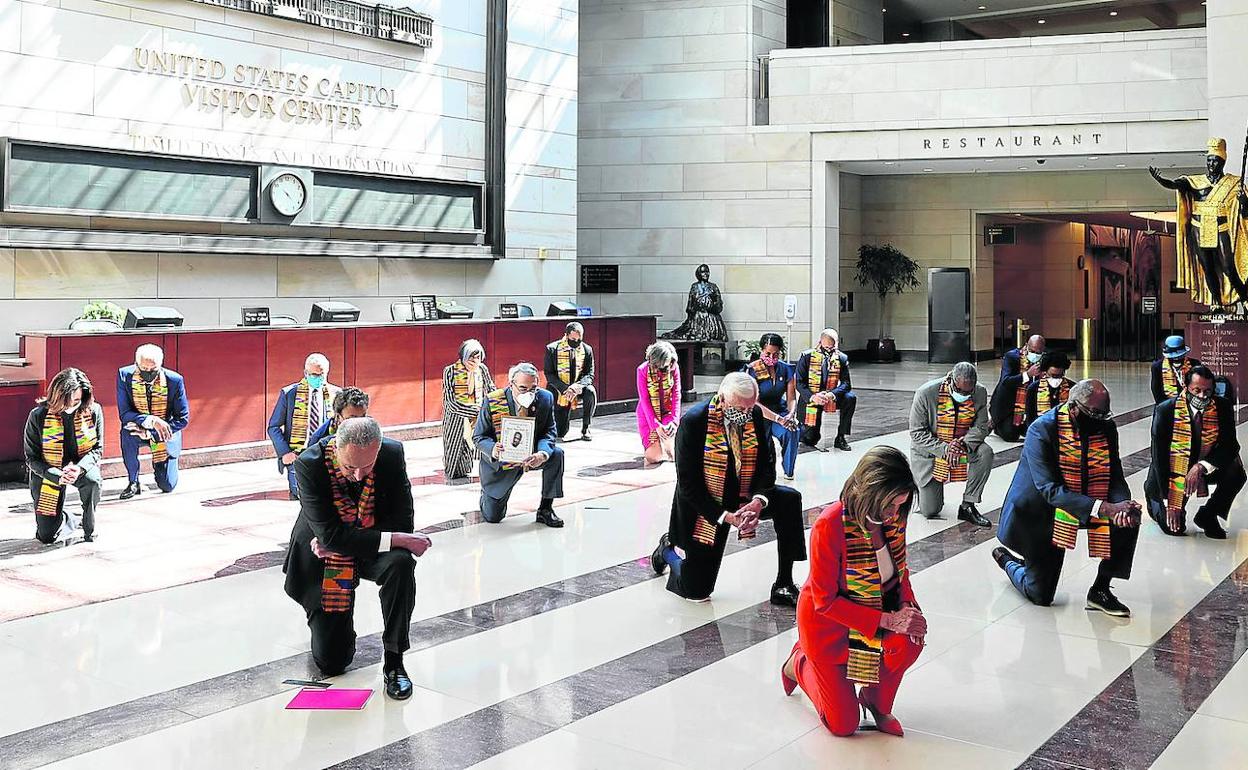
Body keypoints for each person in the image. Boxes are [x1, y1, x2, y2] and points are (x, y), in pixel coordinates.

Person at [282, 417, 432, 700]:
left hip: (363, 545)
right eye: (350, 467)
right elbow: (329, 537)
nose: (360, 475)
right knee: (333, 662)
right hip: (323, 558)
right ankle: (336, 629)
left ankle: (394, 661)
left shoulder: (391, 453)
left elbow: (402, 519)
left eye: (368, 466)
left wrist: (346, 540)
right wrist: (395, 539)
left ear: (378, 450)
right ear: (336, 449)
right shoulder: (309, 465)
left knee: (400, 564)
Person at [781, 446, 926, 738]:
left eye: (900, 506)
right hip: (830, 628)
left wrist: (908, 606)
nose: (894, 515)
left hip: (875, 614)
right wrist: (887, 620)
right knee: (843, 726)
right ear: (868, 493)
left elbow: (900, 572)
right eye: (889, 506)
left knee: (910, 640)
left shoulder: (893, 517)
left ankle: (875, 701)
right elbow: (825, 602)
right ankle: (798, 663)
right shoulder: (829, 524)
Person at [649, 372, 807, 606]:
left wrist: (759, 500)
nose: (744, 414)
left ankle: (784, 583)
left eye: (749, 407)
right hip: (708, 504)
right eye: (738, 408)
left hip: (744, 495)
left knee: (789, 500)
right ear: (722, 399)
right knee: (697, 591)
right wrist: (724, 516)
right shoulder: (694, 421)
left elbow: (766, 464)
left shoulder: (753, 413)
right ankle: (666, 551)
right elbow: (688, 484)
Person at [993, 380, 1142, 617]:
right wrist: (1105, 508)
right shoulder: (1042, 429)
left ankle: (1101, 590)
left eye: (1105, 413)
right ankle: (1008, 561)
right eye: (1094, 413)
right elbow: (1049, 489)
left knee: (1129, 518)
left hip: (1087, 498)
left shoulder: (1105, 426)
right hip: (1044, 511)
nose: (1101, 419)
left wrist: (1122, 506)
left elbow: (1114, 475)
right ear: (1073, 407)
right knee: (1040, 596)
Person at [1144, 365, 1243, 539]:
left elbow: (1231, 446)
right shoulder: (1165, 410)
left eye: (1207, 391)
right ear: (1186, 387)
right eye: (1196, 390)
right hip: (1172, 471)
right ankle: (1155, 503)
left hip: (1202, 467)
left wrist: (1201, 466)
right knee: (1175, 528)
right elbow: (1159, 458)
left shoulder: (1222, 406)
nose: (1202, 396)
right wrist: (1169, 501)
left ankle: (1208, 514)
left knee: (1236, 472)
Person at [1150, 137, 1248, 309]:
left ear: (1222, 162)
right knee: (1208, 268)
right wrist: (1161, 181)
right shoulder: (1195, 181)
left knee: (1228, 268)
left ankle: (1245, 298)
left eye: (1215, 161)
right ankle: (1216, 303)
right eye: (1209, 160)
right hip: (1199, 229)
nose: (1211, 164)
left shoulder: (1233, 184)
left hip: (1221, 228)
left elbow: (1245, 213)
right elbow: (1174, 184)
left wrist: (1244, 201)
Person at [473, 362, 565, 528]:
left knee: (556, 454)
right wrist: (492, 448)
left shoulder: (545, 397)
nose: (529, 393)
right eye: (523, 388)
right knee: (493, 517)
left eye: (533, 388)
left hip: (531, 455)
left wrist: (542, 454)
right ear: (511, 384)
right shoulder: (493, 401)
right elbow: (479, 436)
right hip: (501, 462)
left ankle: (545, 508)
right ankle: (488, 496)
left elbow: (549, 432)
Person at [24, 368, 104, 545]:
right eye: (66, 401)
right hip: (48, 471)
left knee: (93, 480)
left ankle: (89, 522)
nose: (70, 406)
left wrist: (80, 468)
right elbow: (32, 458)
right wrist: (56, 475)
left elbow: (97, 449)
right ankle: (66, 516)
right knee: (46, 536)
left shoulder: (93, 410)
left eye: (76, 400)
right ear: (56, 396)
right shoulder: (38, 416)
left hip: (79, 466)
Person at [908, 362, 993, 527]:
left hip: (962, 445)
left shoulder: (980, 392)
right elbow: (917, 432)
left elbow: (981, 427)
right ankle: (920, 485)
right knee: (930, 510)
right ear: (951, 381)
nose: (965, 395)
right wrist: (946, 449)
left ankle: (968, 504)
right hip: (931, 451)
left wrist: (962, 444)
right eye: (960, 390)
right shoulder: (926, 393)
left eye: (969, 392)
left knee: (985, 452)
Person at [116, 344, 190, 499]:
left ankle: (161, 467)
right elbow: (125, 414)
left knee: (167, 486)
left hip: (163, 434)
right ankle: (133, 481)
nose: (148, 373)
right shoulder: (124, 375)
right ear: (136, 364)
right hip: (138, 427)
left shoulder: (174, 380)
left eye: (153, 370)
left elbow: (182, 419)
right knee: (127, 433)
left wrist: (150, 432)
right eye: (144, 368)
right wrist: (150, 420)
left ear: (161, 365)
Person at [268, 353, 340, 499]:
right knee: (302, 495)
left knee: (328, 495)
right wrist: (285, 453)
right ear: (305, 373)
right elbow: (273, 427)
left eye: (321, 375)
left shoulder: (336, 394)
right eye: (313, 374)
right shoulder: (290, 394)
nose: (318, 378)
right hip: (297, 455)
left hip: (325, 454)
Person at [745, 333, 800, 480]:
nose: (771, 356)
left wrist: (790, 414)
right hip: (758, 413)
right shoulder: (752, 370)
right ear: (761, 350)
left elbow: (791, 398)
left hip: (779, 410)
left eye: (775, 354)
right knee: (765, 446)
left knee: (792, 431)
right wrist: (777, 419)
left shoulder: (786, 369)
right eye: (768, 353)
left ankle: (789, 470)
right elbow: (754, 402)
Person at [796, 328, 856, 451]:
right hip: (812, 397)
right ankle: (805, 432)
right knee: (810, 438)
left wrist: (831, 394)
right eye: (826, 348)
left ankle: (841, 437)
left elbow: (846, 383)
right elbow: (799, 383)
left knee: (850, 398)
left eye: (831, 348)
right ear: (820, 342)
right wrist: (814, 396)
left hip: (830, 396)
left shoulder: (841, 358)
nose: (828, 351)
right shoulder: (807, 357)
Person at [441, 340, 493, 483]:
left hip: (477, 416)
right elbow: (450, 401)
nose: (474, 361)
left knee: (479, 444)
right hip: (456, 415)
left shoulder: (482, 369)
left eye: (477, 358)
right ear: (463, 357)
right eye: (470, 358)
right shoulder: (450, 371)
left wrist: (494, 404)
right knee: (455, 449)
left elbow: (491, 389)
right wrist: (475, 410)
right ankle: (456, 473)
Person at [543, 322, 597, 441]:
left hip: (577, 388)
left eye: (579, 339)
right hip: (559, 389)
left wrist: (577, 386)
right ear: (566, 336)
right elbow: (549, 374)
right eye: (573, 339)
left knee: (590, 391)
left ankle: (586, 427)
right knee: (561, 432)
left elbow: (590, 374)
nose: (576, 342)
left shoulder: (587, 350)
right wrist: (565, 388)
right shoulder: (552, 349)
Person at [989, 334, 1046, 442]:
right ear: (1026, 346)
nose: (1035, 355)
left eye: (1038, 353)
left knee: (1033, 432)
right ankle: (996, 423)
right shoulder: (1012, 357)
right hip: (1008, 404)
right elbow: (1005, 381)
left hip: (1032, 405)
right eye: (1032, 351)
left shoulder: (1045, 360)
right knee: (1010, 435)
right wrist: (1027, 374)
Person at [636, 341, 682, 466]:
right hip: (648, 415)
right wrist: (655, 425)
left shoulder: (674, 367)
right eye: (657, 367)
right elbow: (644, 399)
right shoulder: (642, 370)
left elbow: (676, 395)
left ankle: (666, 447)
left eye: (664, 368)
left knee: (673, 454)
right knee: (653, 457)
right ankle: (657, 447)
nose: (661, 371)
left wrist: (674, 421)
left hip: (667, 412)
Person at [660, 263, 728, 342]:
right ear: (699, 274)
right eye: (703, 272)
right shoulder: (694, 286)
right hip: (698, 318)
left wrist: (712, 305)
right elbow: (690, 305)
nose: (706, 274)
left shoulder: (714, 287)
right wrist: (692, 315)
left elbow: (719, 305)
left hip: (712, 319)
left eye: (707, 271)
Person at [1023, 351, 1075, 430]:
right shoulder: (1034, 388)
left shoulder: (1072, 387)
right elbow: (1030, 417)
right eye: (1053, 375)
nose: (1056, 379)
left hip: (1065, 430)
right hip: (1040, 429)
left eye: (1059, 376)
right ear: (1045, 372)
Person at [1151, 335, 1201, 404]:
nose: (1176, 359)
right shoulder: (1157, 366)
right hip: (1166, 403)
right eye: (1174, 357)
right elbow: (1156, 389)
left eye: (1179, 356)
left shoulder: (1194, 364)